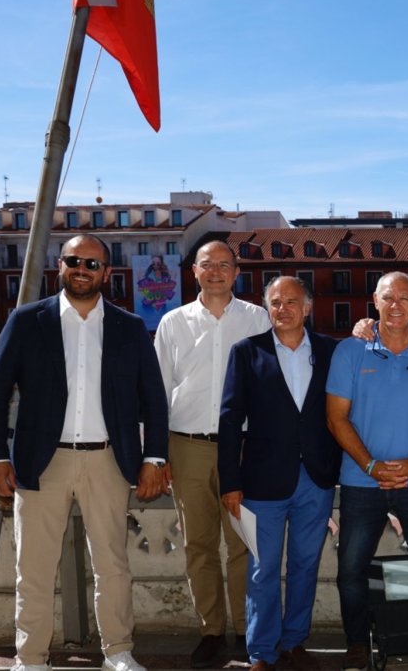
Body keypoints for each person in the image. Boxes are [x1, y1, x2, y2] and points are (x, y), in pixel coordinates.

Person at [0, 234, 169, 671]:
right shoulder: (27, 321)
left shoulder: (130, 327)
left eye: (93, 263)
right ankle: (30, 659)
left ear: (107, 273)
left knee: (113, 566)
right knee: (34, 569)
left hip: (109, 460)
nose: (82, 269)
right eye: (74, 260)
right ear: (59, 266)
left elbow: (154, 399)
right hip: (42, 463)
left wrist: (154, 458)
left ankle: (118, 652)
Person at [327, 271, 408, 671]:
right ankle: (357, 643)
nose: (396, 304)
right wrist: (370, 465)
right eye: (388, 297)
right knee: (350, 570)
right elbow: (336, 418)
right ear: (375, 301)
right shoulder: (350, 351)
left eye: (404, 297)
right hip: (360, 480)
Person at [154, 240, 270, 666]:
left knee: (244, 543)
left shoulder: (259, 319)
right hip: (188, 446)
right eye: (208, 265)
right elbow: (159, 389)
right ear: (195, 272)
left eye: (224, 265)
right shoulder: (172, 322)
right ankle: (211, 630)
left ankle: (245, 629)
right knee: (198, 544)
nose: (216, 272)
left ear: (237, 272)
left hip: (242, 447)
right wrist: (157, 454)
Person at [217, 277, 340, 671]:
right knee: (262, 569)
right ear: (267, 308)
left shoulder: (332, 351)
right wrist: (230, 481)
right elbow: (230, 421)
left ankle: (293, 642)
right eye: (275, 302)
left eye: (291, 302)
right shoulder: (247, 353)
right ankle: (262, 653)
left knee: (305, 564)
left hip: (316, 479)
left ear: (307, 308)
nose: (282, 309)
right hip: (261, 482)